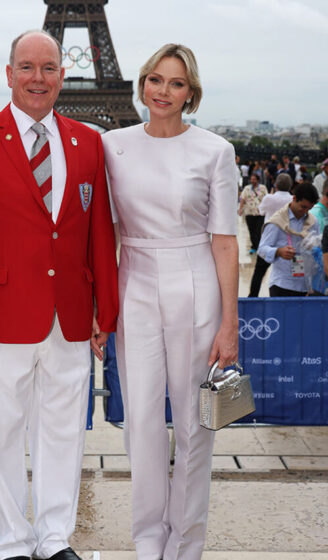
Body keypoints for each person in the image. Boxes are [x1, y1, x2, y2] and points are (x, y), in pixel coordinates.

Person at [0, 30, 118, 560]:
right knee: (3, 434)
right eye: (28, 67)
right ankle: (14, 542)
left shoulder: (88, 141)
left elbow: (98, 232)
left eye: (49, 68)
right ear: (8, 73)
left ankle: (55, 538)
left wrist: (108, 308)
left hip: (72, 316)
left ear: (64, 75)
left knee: (64, 433)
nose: (39, 78)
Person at [103, 43, 239, 560]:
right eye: (155, 80)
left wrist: (230, 322)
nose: (163, 91)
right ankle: (147, 542)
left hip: (195, 281)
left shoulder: (214, 150)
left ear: (191, 94)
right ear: (140, 84)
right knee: (139, 420)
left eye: (176, 83)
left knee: (195, 424)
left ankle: (185, 546)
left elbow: (224, 240)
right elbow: (104, 231)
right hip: (133, 279)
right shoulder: (112, 144)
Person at [258, 182, 319, 297]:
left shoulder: (312, 222)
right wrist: (278, 251)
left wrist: (315, 248)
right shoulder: (277, 221)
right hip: (282, 285)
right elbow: (261, 249)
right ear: (294, 198)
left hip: (306, 286)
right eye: (303, 207)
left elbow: (318, 247)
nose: (305, 212)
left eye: (309, 209)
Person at [248, 173, 293, 297]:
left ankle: (253, 297)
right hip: (287, 243)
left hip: (269, 241)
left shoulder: (269, 198)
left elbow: (261, 211)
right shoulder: (293, 199)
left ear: (276, 185)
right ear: (290, 186)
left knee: (259, 272)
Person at [238, 173, 268, 253]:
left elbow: (266, 199)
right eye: (251, 179)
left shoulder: (263, 188)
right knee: (251, 231)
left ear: (258, 180)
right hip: (249, 213)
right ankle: (254, 247)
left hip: (260, 214)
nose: (252, 181)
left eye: (254, 179)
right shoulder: (247, 188)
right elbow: (243, 199)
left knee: (258, 231)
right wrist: (240, 209)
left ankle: (258, 246)